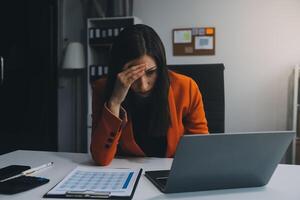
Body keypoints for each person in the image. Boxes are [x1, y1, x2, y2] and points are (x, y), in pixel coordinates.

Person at [90, 24, 208, 166]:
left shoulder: (186, 87)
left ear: (161, 66)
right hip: (125, 172)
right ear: (118, 69)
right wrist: (114, 102)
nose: (143, 84)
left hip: (170, 170)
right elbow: (101, 158)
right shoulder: (102, 88)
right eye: (132, 74)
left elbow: (201, 151)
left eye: (150, 72)